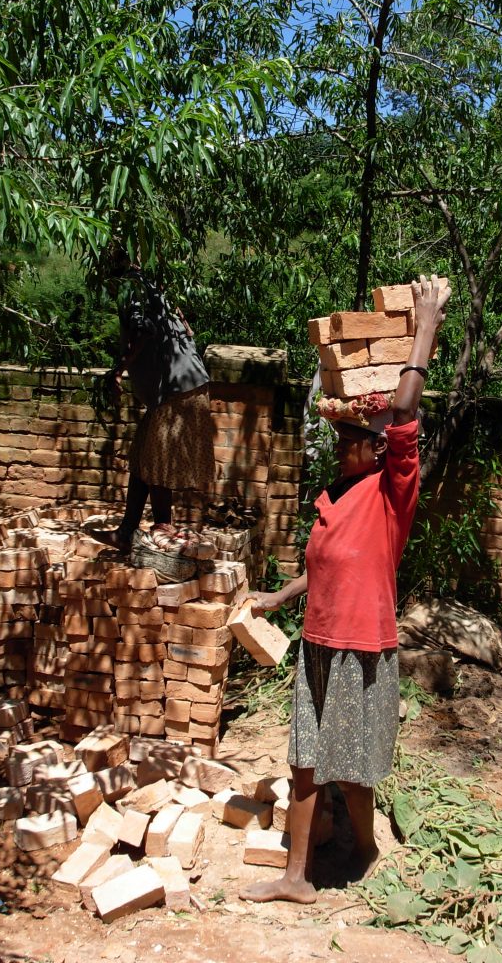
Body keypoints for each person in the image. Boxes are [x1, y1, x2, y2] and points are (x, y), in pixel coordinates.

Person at [240, 275, 450, 904]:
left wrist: (425, 326)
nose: (339, 449)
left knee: (353, 769)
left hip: (362, 648)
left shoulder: (392, 493)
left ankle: (364, 848)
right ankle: (296, 878)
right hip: (317, 645)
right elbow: (330, 568)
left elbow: (405, 413)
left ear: (380, 448)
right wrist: (280, 598)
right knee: (304, 760)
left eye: (349, 441)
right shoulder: (335, 496)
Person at [88, 263, 213, 554]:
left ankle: (160, 534)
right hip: (184, 387)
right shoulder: (155, 288)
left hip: (177, 391)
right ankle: (127, 531)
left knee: (156, 464)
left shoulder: (132, 288)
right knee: (143, 457)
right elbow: (188, 330)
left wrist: (119, 370)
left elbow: (144, 330)